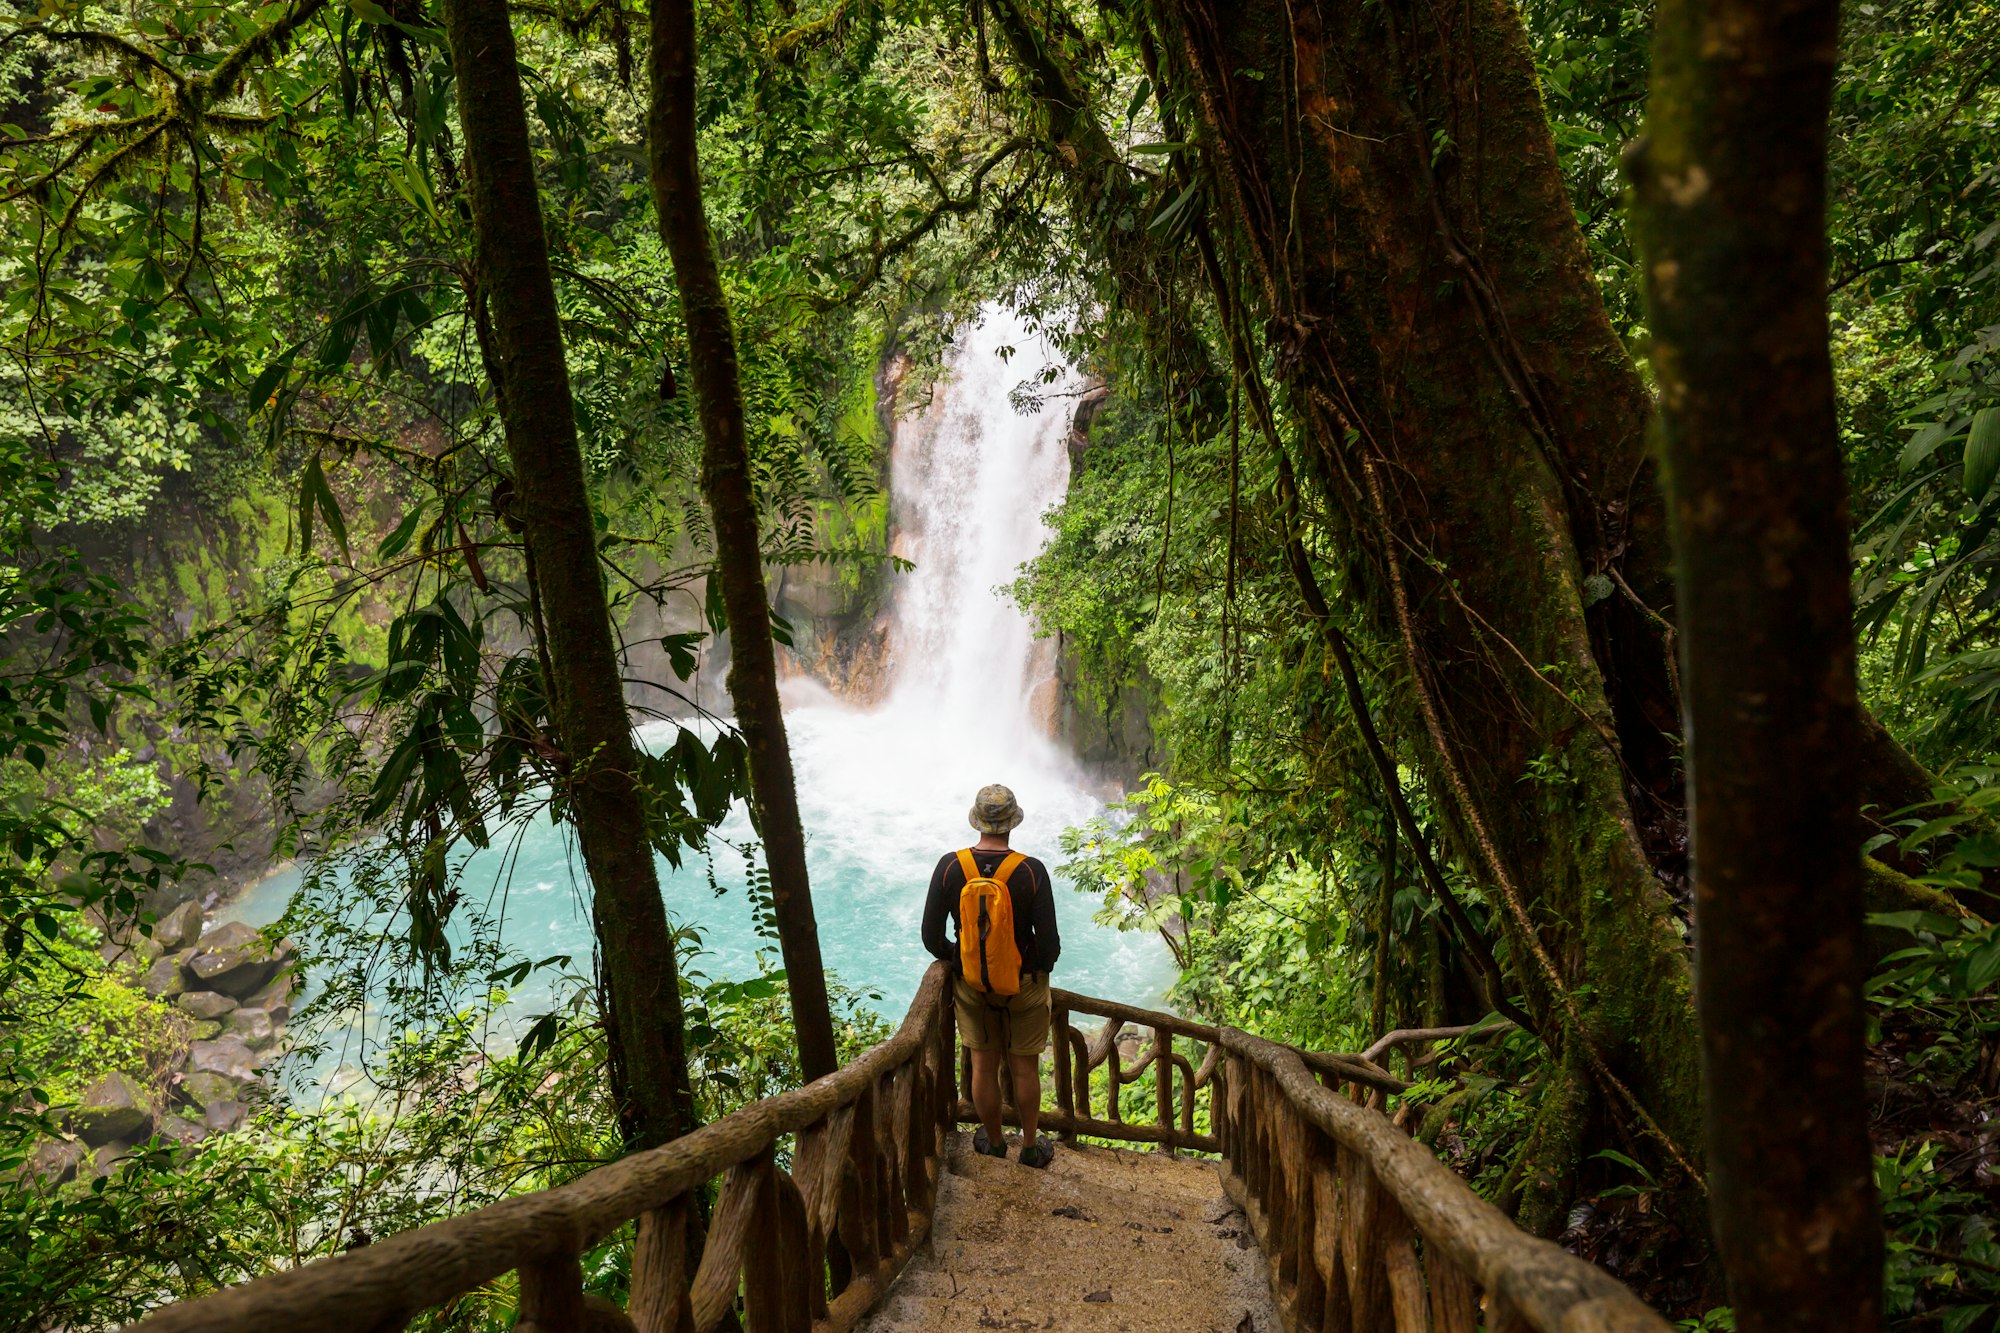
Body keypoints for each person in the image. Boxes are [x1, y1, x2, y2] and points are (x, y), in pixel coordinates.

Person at [921, 783, 1062, 1168]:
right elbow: (1049, 944)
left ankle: (995, 1142)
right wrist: (1031, 969)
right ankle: (1031, 1147)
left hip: (971, 985)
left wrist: (964, 961)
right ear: (1012, 823)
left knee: (982, 1065)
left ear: (977, 822)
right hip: (1024, 984)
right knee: (1024, 1066)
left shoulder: (951, 866)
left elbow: (931, 937)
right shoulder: (1031, 871)